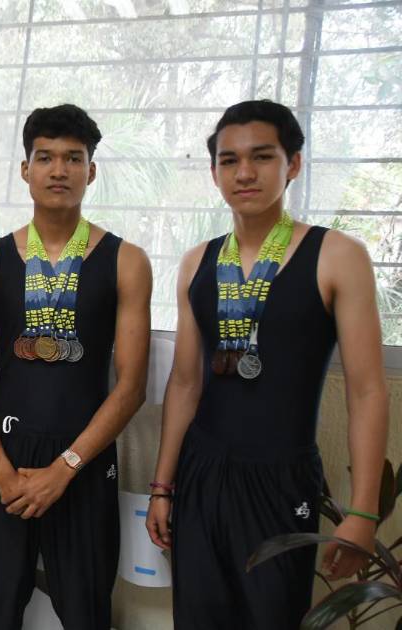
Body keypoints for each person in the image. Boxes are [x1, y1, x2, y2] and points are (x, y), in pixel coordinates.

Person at [145, 100, 390, 629]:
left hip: (281, 479)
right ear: (214, 172)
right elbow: (185, 383)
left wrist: (363, 511)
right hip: (202, 471)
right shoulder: (197, 262)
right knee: (197, 618)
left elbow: (367, 390)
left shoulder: (337, 255)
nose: (244, 173)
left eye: (262, 157)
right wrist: (163, 487)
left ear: (292, 164)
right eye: (229, 160)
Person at [0, 104, 152, 629]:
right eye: (45, 158)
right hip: (6, 459)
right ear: (26, 169)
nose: (58, 170)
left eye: (73, 158)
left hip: (83, 458)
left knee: (87, 613)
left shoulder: (126, 260)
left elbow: (131, 386)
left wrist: (65, 467)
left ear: (91, 170)